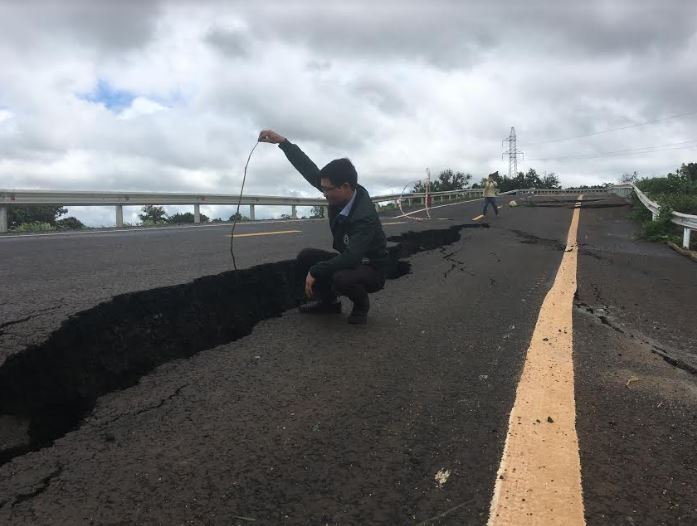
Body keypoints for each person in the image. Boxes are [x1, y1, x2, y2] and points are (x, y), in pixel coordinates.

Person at [258, 129, 389, 325]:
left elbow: (352, 258)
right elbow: (308, 168)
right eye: (323, 188)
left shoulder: (364, 217)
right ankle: (329, 303)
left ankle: (361, 305)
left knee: (340, 277)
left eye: (327, 190)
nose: (324, 194)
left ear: (345, 187)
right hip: (351, 259)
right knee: (306, 256)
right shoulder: (339, 192)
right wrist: (283, 142)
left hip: (371, 267)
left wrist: (316, 270)